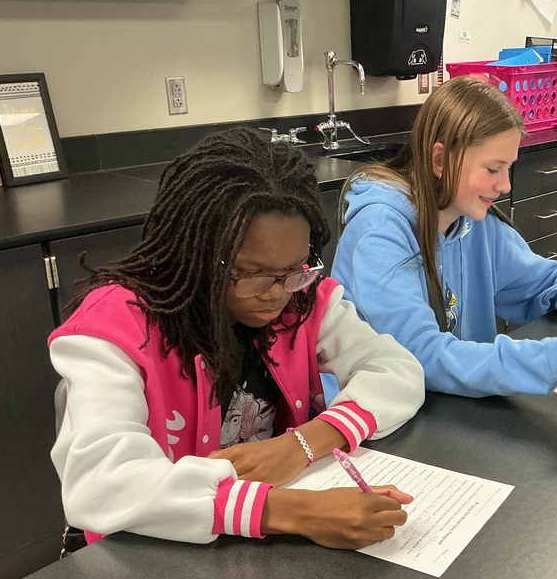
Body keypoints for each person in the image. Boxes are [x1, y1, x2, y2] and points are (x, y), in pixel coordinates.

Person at [49, 128, 425, 550]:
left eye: (295, 268)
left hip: (251, 557)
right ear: (198, 254)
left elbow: (398, 369)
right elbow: (100, 482)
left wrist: (304, 443)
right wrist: (292, 511)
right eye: (253, 273)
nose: (277, 292)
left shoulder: (303, 301)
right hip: (156, 562)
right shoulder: (119, 326)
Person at [331, 75, 557, 399]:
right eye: (493, 169)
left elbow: (546, 284)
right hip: (379, 423)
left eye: (508, 168)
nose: (505, 185)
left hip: (451, 407)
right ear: (440, 159)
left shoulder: (472, 219)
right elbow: (419, 357)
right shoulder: (381, 231)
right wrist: (550, 359)